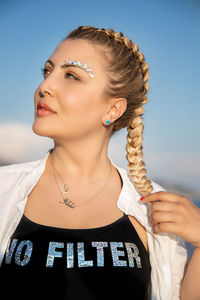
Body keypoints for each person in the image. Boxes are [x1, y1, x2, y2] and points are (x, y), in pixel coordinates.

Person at [0, 25, 199, 300]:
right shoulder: (4, 189)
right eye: (47, 71)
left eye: (71, 75)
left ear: (113, 109)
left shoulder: (153, 210)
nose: (44, 86)